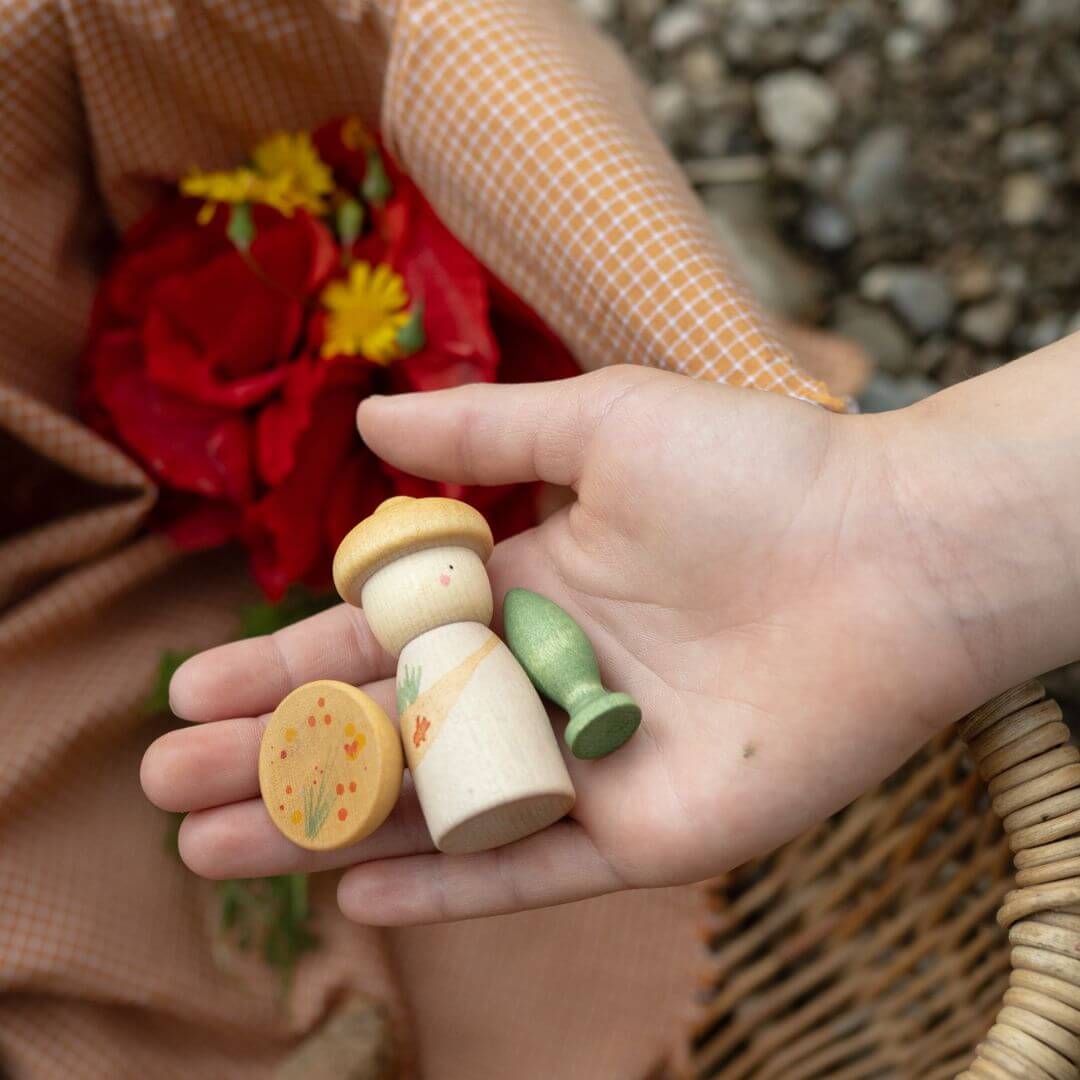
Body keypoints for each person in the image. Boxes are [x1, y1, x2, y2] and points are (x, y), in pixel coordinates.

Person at [146, 337, 1080, 924]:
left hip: (534, 758)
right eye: (405, 583)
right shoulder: (447, 646)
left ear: (465, 566)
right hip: (473, 755)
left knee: (483, 731)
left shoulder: (481, 634)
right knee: (456, 735)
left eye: (437, 569)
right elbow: (433, 732)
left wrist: (890, 520)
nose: (427, 587)